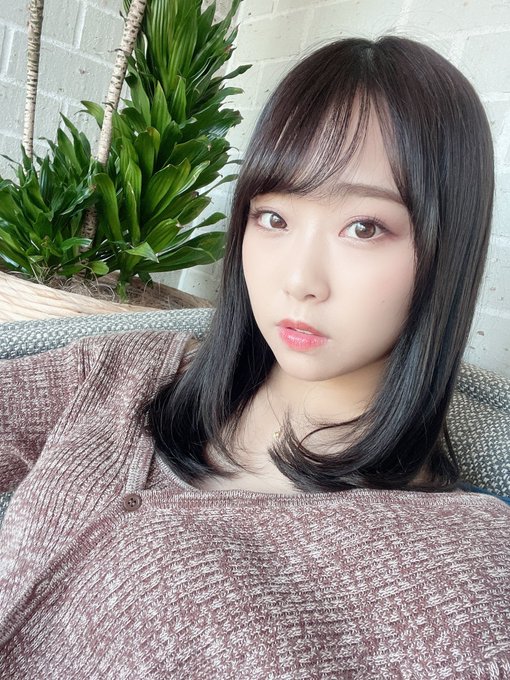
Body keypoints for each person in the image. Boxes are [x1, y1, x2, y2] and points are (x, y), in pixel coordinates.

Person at [0, 35, 509, 678]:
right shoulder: (122, 372)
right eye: (273, 218)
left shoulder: (467, 576)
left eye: (364, 227)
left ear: (447, 250)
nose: (298, 280)